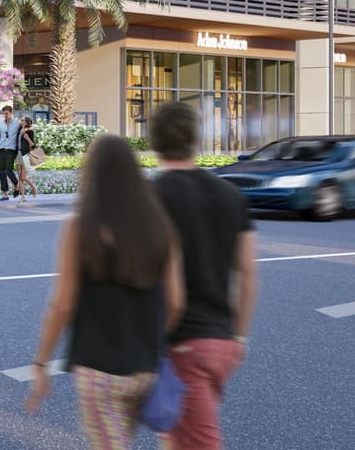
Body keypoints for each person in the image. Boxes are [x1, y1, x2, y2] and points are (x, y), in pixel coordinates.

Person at [25, 134, 185, 448]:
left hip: (99, 371)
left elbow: (62, 306)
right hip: (144, 368)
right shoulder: (161, 227)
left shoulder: (80, 228)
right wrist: (150, 340)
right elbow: (176, 303)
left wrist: (41, 362)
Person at [148, 100, 257, 450]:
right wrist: (239, 337)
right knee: (175, 436)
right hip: (220, 341)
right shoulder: (231, 195)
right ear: (195, 139)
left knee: (198, 442)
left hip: (181, 345)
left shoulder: (153, 197)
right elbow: (248, 272)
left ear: (154, 142)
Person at [0, 103, 22, 201]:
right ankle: (5, 195)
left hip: (11, 150)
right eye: (4, 114)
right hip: (0, 150)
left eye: (6, 113)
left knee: (8, 170)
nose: (5, 115)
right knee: (1, 172)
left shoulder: (17, 124)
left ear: (11, 113)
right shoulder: (0, 124)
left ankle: (16, 185)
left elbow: (26, 128)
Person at [15, 115, 42, 202]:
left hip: (25, 154)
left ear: (27, 122)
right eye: (21, 120)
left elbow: (33, 145)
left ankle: (33, 187)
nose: (21, 121)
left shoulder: (30, 131)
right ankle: (23, 197)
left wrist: (27, 138)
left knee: (23, 177)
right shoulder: (19, 130)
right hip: (18, 154)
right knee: (19, 177)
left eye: (23, 120)